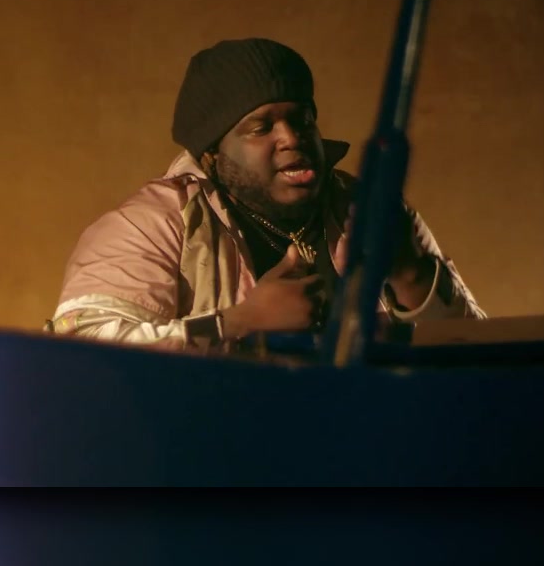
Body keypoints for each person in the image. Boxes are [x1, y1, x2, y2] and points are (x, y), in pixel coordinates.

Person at [49, 37, 484, 354]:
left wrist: (411, 275)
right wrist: (240, 324)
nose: (292, 138)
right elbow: (79, 356)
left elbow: (478, 353)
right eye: (261, 128)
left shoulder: (368, 208)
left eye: (303, 119)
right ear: (212, 155)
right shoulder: (150, 224)